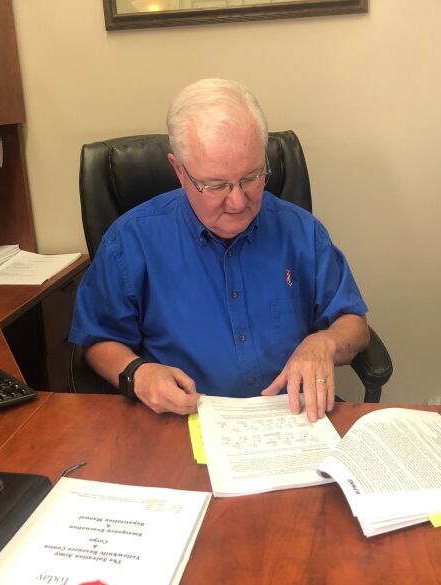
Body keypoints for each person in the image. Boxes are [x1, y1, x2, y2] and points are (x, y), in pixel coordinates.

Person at [69, 78, 369, 422]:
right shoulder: (131, 240)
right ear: (179, 171)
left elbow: (354, 324)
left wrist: (325, 343)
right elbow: (96, 341)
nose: (238, 201)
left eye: (252, 177)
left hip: (292, 422)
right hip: (181, 425)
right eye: (216, 185)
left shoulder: (301, 232)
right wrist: (137, 373)